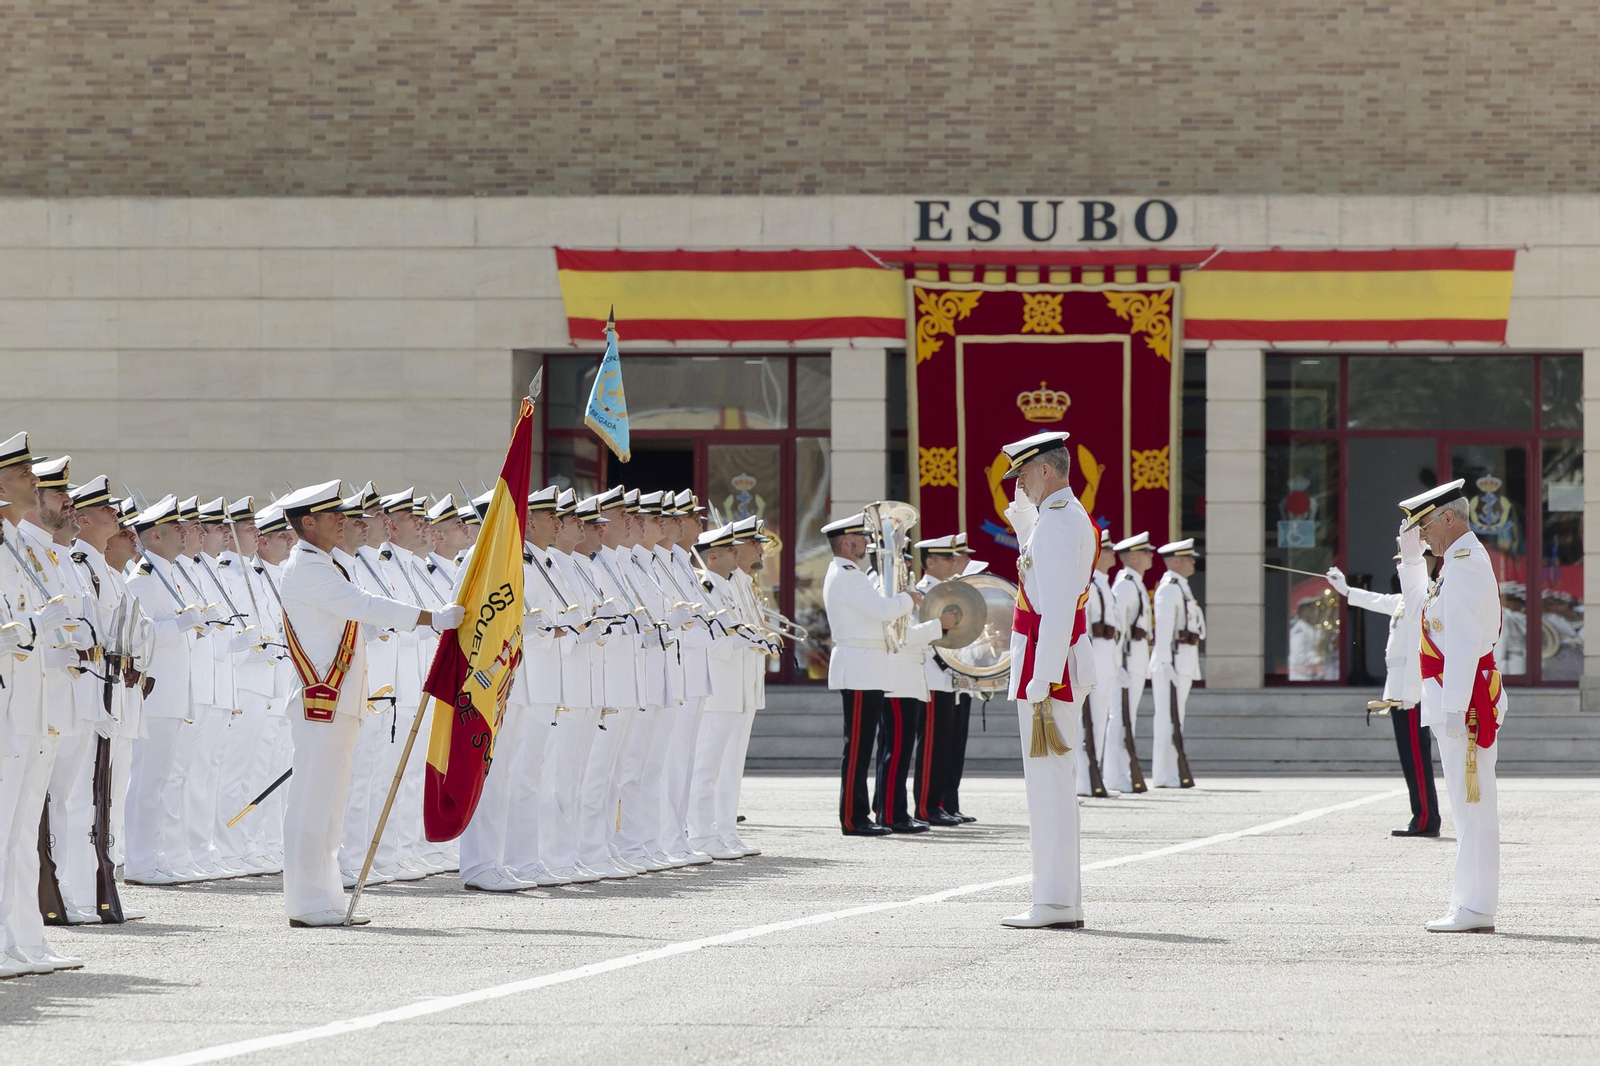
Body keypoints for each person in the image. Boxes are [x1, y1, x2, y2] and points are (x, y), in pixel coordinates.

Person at [274, 480, 462, 928]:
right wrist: (430, 618)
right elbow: (363, 605)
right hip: (322, 700)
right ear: (308, 522)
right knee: (312, 801)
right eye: (332, 514)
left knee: (331, 804)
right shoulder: (306, 567)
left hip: (341, 700)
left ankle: (324, 899)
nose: (344, 520)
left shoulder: (328, 564)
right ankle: (303, 902)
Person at [997, 431, 1097, 930]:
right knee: (1053, 786)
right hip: (1049, 661)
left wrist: (1041, 677)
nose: (1019, 486)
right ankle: (1059, 898)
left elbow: (1055, 608)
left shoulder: (1058, 523)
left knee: (1049, 789)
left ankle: (1054, 902)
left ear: (1044, 470)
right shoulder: (1057, 519)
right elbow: (1044, 582)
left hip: (1046, 664)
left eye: (1023, 476)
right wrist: (1024, 527)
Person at [1400, 479, 1505, 934]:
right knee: (1465, 807)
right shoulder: (1454, 563)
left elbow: (1462, 644)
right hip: (1451, 695)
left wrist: (1455, 709)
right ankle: (1469, 902)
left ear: (1448, 516)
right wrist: (1408, 560)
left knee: (1473, 804)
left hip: (1463, 700)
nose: (1422, 536)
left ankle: (1475, 905)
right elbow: (1419, 611)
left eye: (1423, 526)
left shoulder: (1465, 565)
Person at [1325, 536, 1440, 837]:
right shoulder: (1406, 599)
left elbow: (1421, 652)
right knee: (1409, 759)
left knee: (1417, 758)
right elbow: (1376, 601)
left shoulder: (1428, 597)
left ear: (1424, 564)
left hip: (1412, 695)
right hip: (1400, 694)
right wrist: (1345, 589)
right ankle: (1422, 816)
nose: (1400, 567)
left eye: (1406, 561)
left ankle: (1427, 819)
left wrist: (1411, 694)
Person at [822, 512, 923, 836]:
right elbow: (882, 610)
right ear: (848, 543)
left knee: (863, 745)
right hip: (859, 664)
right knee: (858, 748)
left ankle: (859, 815)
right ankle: (853, 818)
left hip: (866, 663)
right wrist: (909, 598)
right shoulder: (846, 573)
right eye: (862, 538)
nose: (867, 543)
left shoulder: (850, 573)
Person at [911, 533, 978, 825]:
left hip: (954, 678)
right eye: (948, 558)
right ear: (930, 562)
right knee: (932, 746)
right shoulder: (923, 593)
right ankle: (928, 806)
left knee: (951, 745)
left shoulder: (955, 591)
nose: (955, 563)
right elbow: (921, 637)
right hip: (933, 676)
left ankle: (947, 802)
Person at [1151, 540, 1205, 789]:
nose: (1193, 561)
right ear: (1176, 562)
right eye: (1189, 558)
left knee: (1175, 719)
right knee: (1168, 719)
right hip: (1171, 663)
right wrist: (1164, 662)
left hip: (1182, 661)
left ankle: (1171, 771)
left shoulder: (1181, 587)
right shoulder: (1169, 589)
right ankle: (1165, 774)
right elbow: (1163, 628)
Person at [1111, 532, 1155, 792]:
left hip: (1136, 660)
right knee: (1120, 718)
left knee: (1128, 718)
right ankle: (1116, 775)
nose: (1151, 556)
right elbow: (1118, 628)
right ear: (1134, 556)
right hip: (1127, 661)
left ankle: (1123, 772)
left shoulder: (1135, 583)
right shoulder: (1126, 585)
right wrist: (1117, 665)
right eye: (1146, 552)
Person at [1080, 527, 1121, 797]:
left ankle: (1094, 777)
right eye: (1107, 549)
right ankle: (1084, 780)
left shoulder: (1104, 583)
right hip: (1095, 660)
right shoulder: (1091, 584)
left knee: (1100, 721)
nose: (1112, 553)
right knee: (1088, 722)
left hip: (1108, 660)